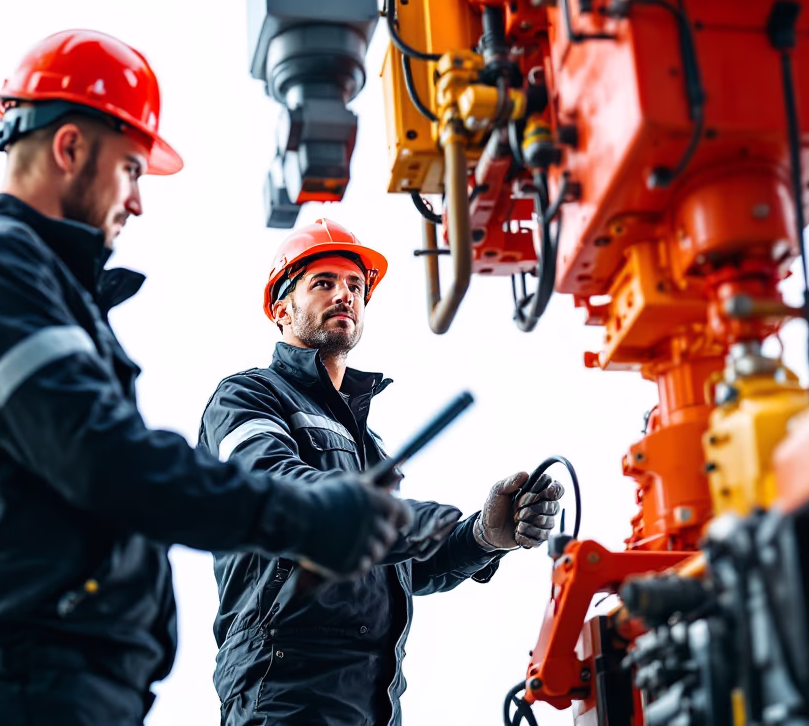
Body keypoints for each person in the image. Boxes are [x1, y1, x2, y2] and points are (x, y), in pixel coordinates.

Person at [0, 31, 410, 726]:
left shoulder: (39, 290)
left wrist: (472, 540)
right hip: (13, 680)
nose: (137, 202)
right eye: (132, 169)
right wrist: (306, 516)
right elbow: (106, 461)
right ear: (69, 148)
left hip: (55, 678)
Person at [197, 218, 566, 726]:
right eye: (323, 283)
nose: (344, 295)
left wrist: (479, 537)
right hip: (284, 692)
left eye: (354, 285)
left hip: (374, 703)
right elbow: (281, 492)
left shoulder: (366, 443)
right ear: (280, 310)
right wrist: (428, 517)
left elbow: (399, 567)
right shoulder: (248, 397)